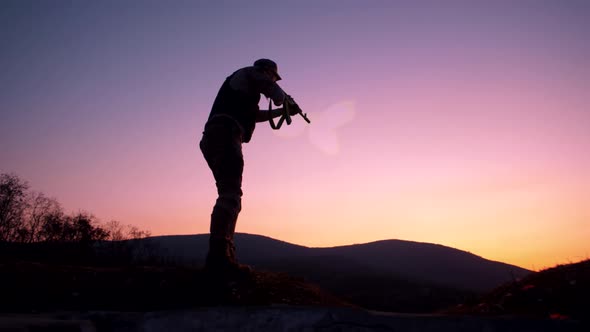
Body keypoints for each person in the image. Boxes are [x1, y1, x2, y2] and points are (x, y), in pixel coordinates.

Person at [199, 59, 299, 274]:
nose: (272, 80)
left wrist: (281, 112)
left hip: (217, 136)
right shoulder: (248, 74)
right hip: (225, 135)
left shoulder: (243, 91)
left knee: (229, 194)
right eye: (273, 76)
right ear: (267, 72)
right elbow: (270, 87)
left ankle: (222, 254)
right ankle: (220, 258)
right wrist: (285, 101)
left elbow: (254, 116)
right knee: (231, 196)